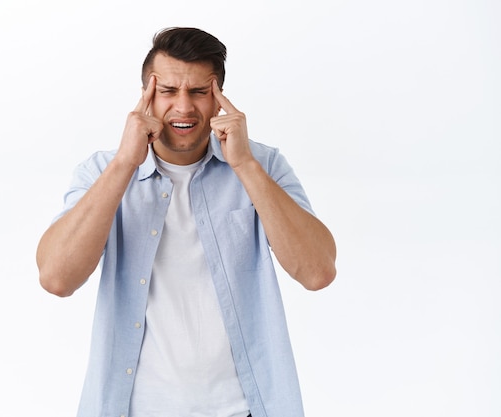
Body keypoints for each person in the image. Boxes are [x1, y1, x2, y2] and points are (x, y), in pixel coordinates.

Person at [36, 27, 336, 417]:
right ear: (145, 97)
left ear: (219, 100)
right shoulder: (101, 171)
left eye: (198, 92)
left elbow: (317, 272)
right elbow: (57, 279)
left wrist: (244, 165)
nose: (183, 107)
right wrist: (126, 163)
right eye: (168, 91)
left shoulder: (263, 165)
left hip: (244, 409)